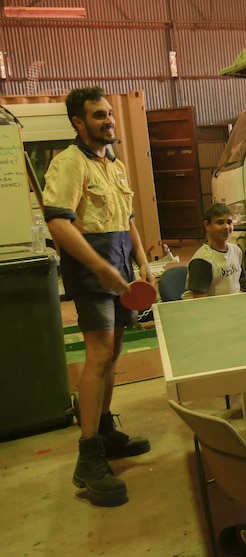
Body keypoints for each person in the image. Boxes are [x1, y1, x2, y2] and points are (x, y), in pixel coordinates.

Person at [43, 86, 153, 507]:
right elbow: (59, 224)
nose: (108, 120)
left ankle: (104, 430)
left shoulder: (115, 164)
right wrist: (101, 268)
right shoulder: (69, 164)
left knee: (115, 353)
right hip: (93, 272)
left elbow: (126, 219)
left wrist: (143, 261)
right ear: (78, 122)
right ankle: (88, 457)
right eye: (98, 116)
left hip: (122, 266)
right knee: (99, 355)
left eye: (109, 114)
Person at [183, 203, 243, 298]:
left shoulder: (237, 251)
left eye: (229, 222)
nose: (226, 227)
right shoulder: (202, 260)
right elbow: (200, 301)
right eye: (220, 222)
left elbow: (240, 286)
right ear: (207, 225)